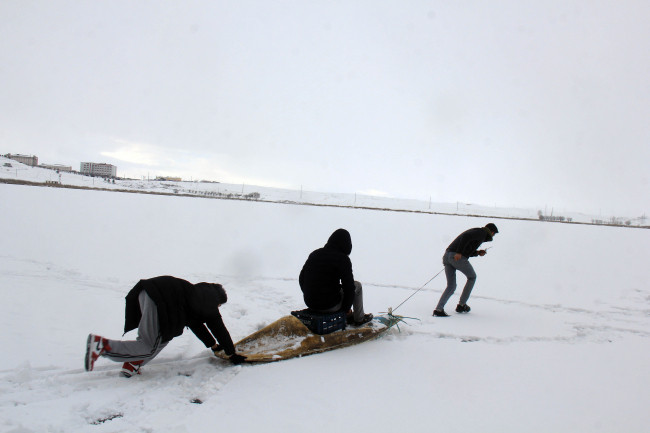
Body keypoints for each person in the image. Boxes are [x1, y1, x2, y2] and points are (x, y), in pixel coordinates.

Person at [85, 276, 246, 377]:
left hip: (147, 292)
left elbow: (196, 324)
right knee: (147, 345)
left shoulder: (198, 294)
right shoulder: (209, 302)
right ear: (218, 300)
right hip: (158, 300)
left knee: (162, 337)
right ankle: (101, 346)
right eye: (219, 305)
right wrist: (232, 354)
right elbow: (219, 328)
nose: (217, 308)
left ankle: (133, 363)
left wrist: (214, 346)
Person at [299, 228, 373, 326]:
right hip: (329, 306)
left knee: (333, 287)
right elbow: (349, 287)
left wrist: (310, 295)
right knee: (357, 286)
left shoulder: (315, 254)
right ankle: (359, 319)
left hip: (310, 303)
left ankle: (349, 313)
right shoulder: (343, 259)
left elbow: (301, 278)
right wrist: (345, 310)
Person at [433, 223, 499, 317]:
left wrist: (477, 253)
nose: (493, 236)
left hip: (447, 256)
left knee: (451, 286)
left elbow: (467, 248)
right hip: (455, 256)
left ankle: (438, 309)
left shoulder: (478, 232)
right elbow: (466, 237)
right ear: (492, 232)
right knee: (472, 277)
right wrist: (459, 252)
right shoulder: (482, 233)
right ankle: (461, 305)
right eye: (494, 234)